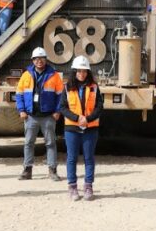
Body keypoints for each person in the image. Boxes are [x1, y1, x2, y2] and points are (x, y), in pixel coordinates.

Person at [16, 47, 64, 181]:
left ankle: (52, 170)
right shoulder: (26, 75)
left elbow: (61, 96)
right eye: (36, 59)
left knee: (51, 143)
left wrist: (57, 111)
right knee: (28, 143)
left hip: (48, 116)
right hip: (31, 116)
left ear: (45, 60)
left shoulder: (54, 75)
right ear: (32, 60)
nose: (39, 61)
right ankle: (27, 170)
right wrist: (21, 110)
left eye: (41, 58)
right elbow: (19, 94)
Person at [59, 55, 103, 201]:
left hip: (90, 128)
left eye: (84, 71)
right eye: (79, 71)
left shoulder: (94, 88)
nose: (81, 74)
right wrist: (77, 118)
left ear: (88, 72)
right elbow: (62, 108)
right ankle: (72, 187)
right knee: (71, 158)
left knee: (89, 158)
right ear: (74, 71)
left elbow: (99, 107)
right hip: (72, 128)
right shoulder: (67, 87)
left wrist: (87, 119)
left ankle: (88, 186)